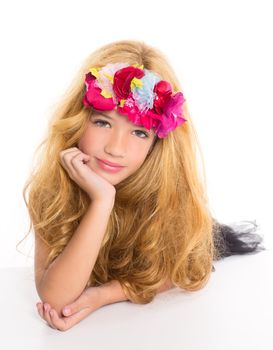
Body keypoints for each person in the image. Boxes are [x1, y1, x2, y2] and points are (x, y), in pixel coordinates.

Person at [21, 39, 265, 331]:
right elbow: (57, 299)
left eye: (138, 132)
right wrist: (101, 202)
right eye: (102, 123)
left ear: (156, 144)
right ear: (77, 120)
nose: (115, 148)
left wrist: (104, 294)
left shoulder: (165, 196)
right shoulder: (53, 190)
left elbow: (185, 269)